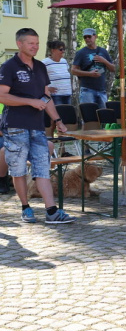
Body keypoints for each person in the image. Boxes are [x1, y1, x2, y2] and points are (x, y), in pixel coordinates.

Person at [0, 28, 76, 223]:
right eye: (30, 43)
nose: (35, 46)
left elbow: (45, 96)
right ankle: (25, 207)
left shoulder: (41, 67)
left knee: (42, 167)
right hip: (15, 126)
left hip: (37, 127)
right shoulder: (9, 67)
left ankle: (51, 211)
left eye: (37, 43)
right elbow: (2, 96)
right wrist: (29, 102)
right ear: (19, 44)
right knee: (18, 171)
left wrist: (58, 120)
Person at [71, 27, 115, 109]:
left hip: (102, 90)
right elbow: (73, 70)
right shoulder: (81, 52)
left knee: (104, 116)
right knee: (89, 116)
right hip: (87, 90)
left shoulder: (103, 51)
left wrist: (104, 61)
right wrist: (89, 74)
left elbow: (113, 69)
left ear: (95, 36)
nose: (87, 39)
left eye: (89, 36)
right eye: (85, 37)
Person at [41, 40, 72, 105]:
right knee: (57, 114)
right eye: (60, 49)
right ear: (53, 50)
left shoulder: (64, 61)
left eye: (64, 49)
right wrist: (47, 89)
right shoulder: (45, 62)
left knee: (68, 114)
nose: (63, 51)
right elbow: (37, 79)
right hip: (55, 96)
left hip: (67, 94)